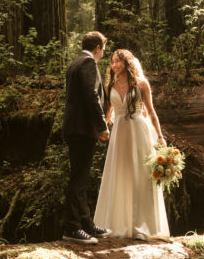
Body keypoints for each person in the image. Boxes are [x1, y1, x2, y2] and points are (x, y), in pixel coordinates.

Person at [93, 48, 170, 241]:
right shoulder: (110, 85)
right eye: (112, 62)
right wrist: (102, 129)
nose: (114, 65)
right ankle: (117, 225)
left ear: (127, 63)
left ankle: (141, 227)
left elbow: (151, 112)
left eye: (118, 61)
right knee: (119, 175)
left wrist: (160, 137)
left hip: (138, 131)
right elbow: (107, 112)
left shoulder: (141, 84)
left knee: (139, 176)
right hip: (119, 134)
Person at [62, 31, 110, 245]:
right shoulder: (88, 63)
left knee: (80, 176)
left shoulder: (75, 63)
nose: (102, 54)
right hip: (82, 128)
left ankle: (86, 224)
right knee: (78, 178)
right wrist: (101, 126)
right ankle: (72, 227)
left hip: (75, 128)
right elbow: (91, 95)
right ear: (98, 48)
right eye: (103, 50)